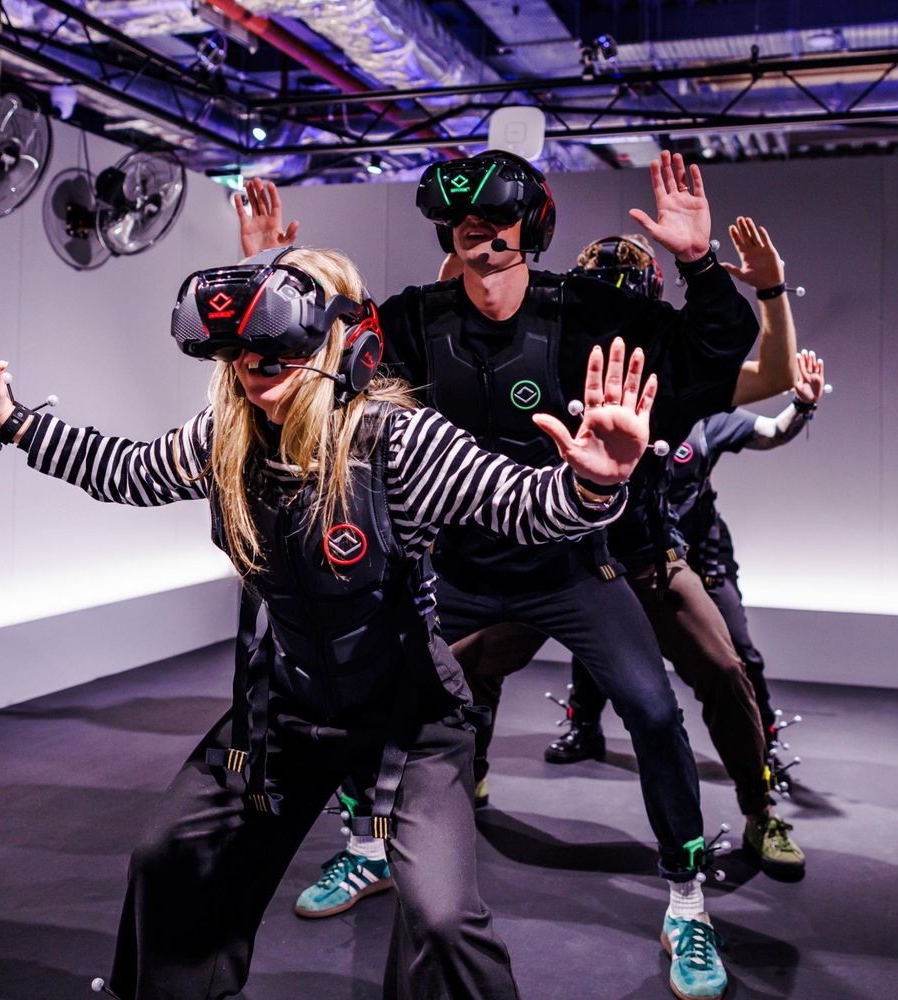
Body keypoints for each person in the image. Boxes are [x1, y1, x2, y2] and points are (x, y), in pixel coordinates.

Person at [0, 246, 656, 1000]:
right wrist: (12, 421)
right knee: (169, 857)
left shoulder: (397, 440)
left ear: (343, 341)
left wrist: (591, 485)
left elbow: (516, 503)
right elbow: (124, 470)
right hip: (284, 714)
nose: (255, 365)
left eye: (278, 342)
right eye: (242, 350)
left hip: (408, 715)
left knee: (445, 920)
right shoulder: (225, 439)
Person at [237, 150, 759, 1000]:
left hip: (571, 566)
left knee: (654, 710)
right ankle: (370, 846)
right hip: (455, 571)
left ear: (532, 227)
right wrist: (268, 268)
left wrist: (699, 263)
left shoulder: (586, 313)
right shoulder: (413, 323)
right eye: (463, 223)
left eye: (496, 220)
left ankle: (686, 902)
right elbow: (309, 354)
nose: (479, 235)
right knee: (367, 697)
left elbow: (716, 350)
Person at [546, 221, 810, 880]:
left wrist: (771, 290)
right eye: (598, 293)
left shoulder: (675, 370)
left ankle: (760, 809)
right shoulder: (541, 351)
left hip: (644, 559)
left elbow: (775, 376)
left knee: (725, 670)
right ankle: (446, 789)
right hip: (548, 557)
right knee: (465, 662)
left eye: (624, 295)